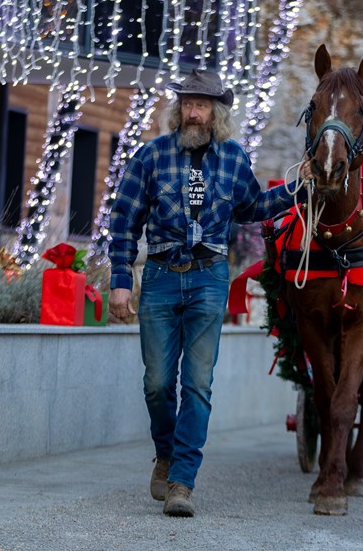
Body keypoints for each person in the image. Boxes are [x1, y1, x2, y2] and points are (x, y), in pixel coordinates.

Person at [108, 69, 311, 517]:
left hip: (209, 277)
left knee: (197, 384)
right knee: (158, 384)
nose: (192, 112)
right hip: (160, 275)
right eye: (186, 103)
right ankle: (165, 453)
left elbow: (253, 208)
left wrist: (298, 188)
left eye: (200, 105)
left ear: (217, 112)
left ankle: (182, 481)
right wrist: (122, 280)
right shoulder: (151, 156)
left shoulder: (234, 158)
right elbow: (123, 221)